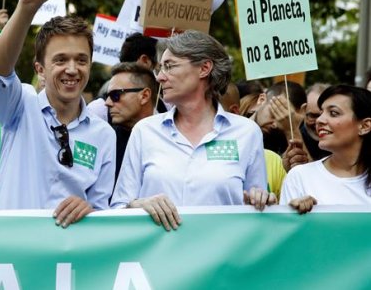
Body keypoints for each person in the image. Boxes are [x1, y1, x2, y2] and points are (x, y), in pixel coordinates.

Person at [0, 0, 115, 228]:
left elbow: (103, 214)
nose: (72, 69)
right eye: (60, 60)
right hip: (13, 256)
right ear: (39, 69)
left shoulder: (104, 135)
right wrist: (27, 6)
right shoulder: (19, 108)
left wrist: (89, 208)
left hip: (68, 264)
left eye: (81, 60)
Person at [111, 30, 273, 231]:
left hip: (223, 259)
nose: (160, 77)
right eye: (160, 68)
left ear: (204, 68)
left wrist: (262, 200)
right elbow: (118, 206)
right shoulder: (144, 131)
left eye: (169, 67)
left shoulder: (247, 133)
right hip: (156, 258)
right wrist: (137, 205)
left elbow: (258, 212)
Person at [280, 85, 371, 213]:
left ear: (365, 126)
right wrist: (298, 215)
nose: (320, 120)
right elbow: (287, 230)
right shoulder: (299, 177)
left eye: (334, 113)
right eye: (321, 113)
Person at [104, 62, 157, 179]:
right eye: (106, 96)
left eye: (116, 95)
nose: (107, 102)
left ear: (144, 96)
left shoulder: (169, 139)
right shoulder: (106, 140)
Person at [299, 83, 330, 160]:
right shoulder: (289, 137)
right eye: (313, 116)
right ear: (303, 112)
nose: (319, 121)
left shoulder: (347, 142)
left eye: (330, 115)